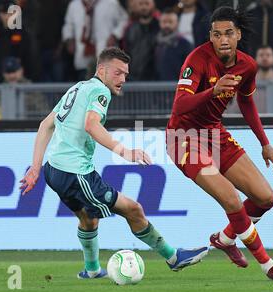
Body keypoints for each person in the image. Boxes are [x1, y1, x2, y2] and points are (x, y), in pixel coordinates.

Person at [19, 47, 208, 279]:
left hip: (54, 170)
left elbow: (45, 125)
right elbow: (91, 124)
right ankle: (173, 257)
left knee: (88, 218)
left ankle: (91, 270)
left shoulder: (78, 87)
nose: (122, 79)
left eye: (126, 75)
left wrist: (36, 168)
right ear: (101, 70)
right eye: (118, 73)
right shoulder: (100, 90)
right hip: (75, 173)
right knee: (133, 209)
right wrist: (124, 151)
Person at [166, 6, 273, 281]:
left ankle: (225, 239)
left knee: (265, 197)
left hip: (215, 134)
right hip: (183, 138)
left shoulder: (247, 65)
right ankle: (268, 266)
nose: (222, 39)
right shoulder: (197, 59)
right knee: (231, 198)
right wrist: (212, 91)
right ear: (210, 37)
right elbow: (179, 106)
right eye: (216, 34)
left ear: (238, 35)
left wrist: (265, 143)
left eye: (228, 33)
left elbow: (247, 101)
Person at [155, 8, 193, 80]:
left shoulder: (185, 45)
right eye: (164, 22)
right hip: (157, 88)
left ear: (177, 23)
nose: (167, 25)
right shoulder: (155, 43)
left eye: (170, 22)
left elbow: (190, 70)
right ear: (159, 23)